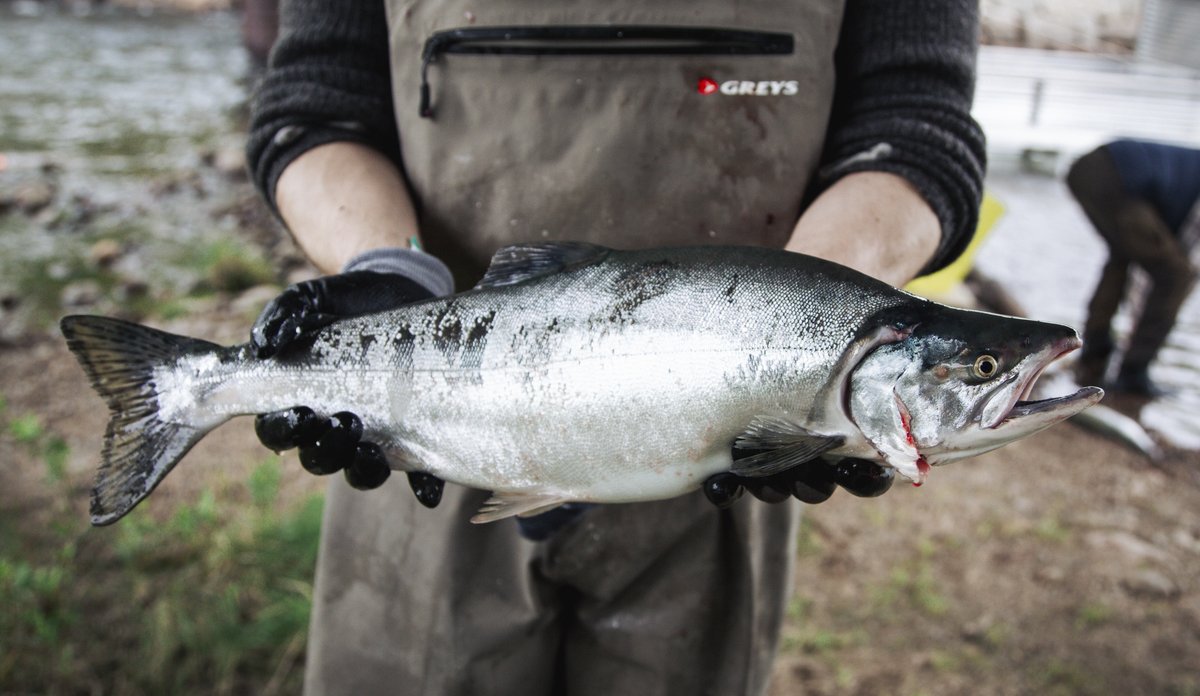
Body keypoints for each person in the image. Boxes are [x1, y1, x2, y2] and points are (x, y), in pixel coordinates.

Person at [244, 1, 985, 694]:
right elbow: (318, 105)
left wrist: (806, 342)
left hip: (729, 458)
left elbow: (915, 131)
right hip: (433, 436)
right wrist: (388, 270)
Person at [1067, 139, 1200, 395]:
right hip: (1115, 175)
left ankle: (1093, 354)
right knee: (1177, 275)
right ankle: (1133, 373)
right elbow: (1180, 261)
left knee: (1122, 257)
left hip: (1089, 168)